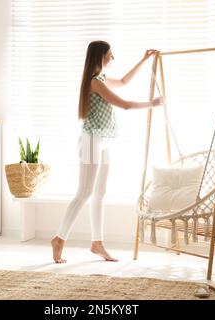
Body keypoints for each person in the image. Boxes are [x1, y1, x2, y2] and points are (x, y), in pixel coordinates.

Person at [51, 40, 164, 263]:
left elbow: (123, 81)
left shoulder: (101, 79)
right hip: (91, 141)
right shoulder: (95, 82)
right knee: (84, 192)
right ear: (100, 56)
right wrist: (153, 103)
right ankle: (59, 239)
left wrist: (143, 60)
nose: (113, 58)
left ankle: (97, 243)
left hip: (103, 141)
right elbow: (125, 105)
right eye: (110, 55)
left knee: (100, 193)